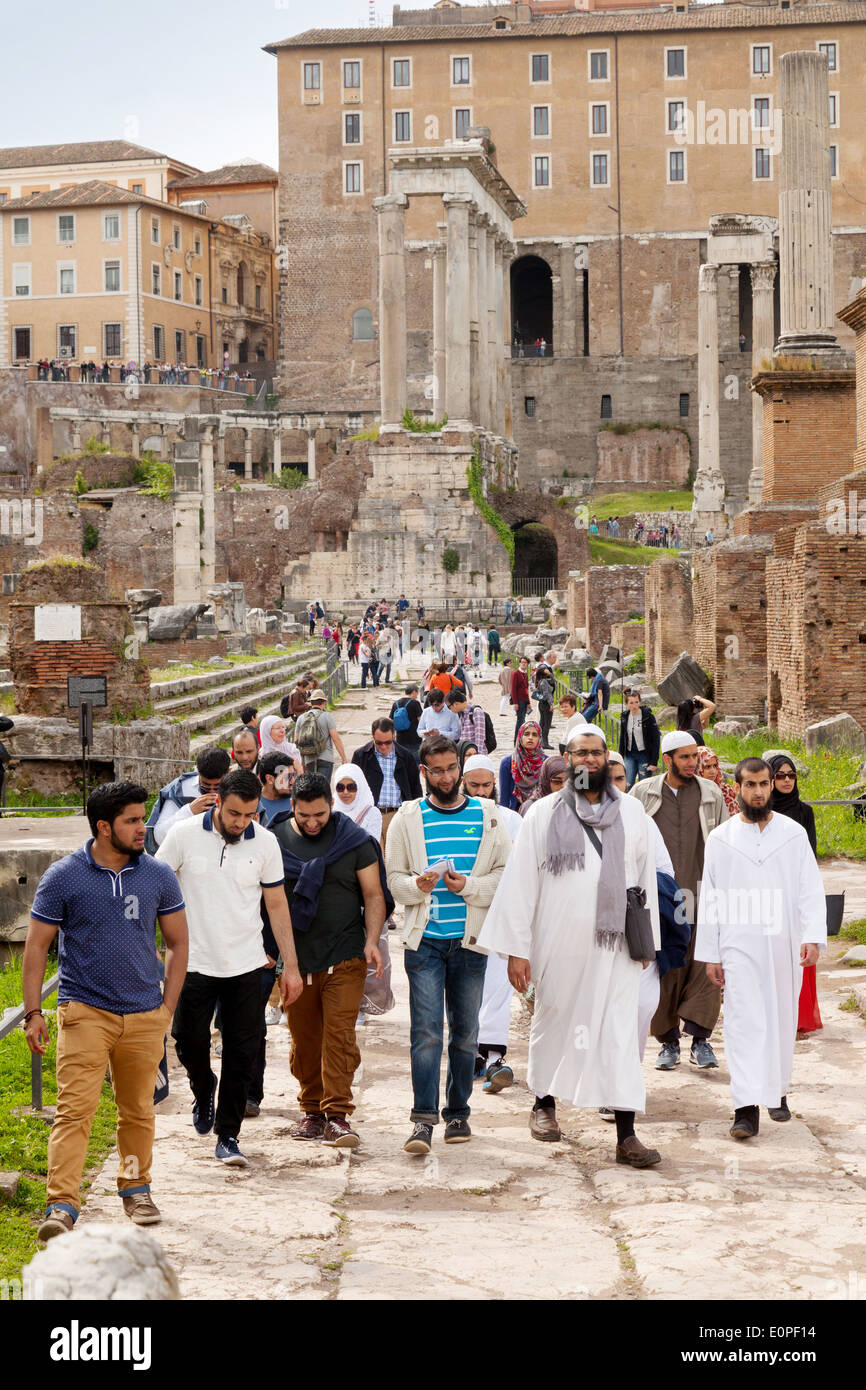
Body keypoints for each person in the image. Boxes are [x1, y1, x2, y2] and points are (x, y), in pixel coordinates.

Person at [479, 727, 662, 1167]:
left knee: (618, 1033)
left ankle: (626, 1134)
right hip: (558, 944)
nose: (590, 761)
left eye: (597, 753)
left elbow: (645, 882)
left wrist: (645, 944)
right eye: (581, 754)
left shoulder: (634, 812)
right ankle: (543, 1105)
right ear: (567, 758)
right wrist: (517, 949)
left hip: (616, 945)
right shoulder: (543, 814)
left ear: (606, 758)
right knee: (554, 1022)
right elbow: (521, 885)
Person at [24, 783, 189, 1241]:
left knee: (137, 1110)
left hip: (143, 1014)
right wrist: (34, 1011)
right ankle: (61, 1205)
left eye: (142, 818)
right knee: (74, 1110)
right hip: (85, 1011)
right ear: (104, 827)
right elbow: (36, 946)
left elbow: (177, 942)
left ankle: (136, 1189)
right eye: (132, 821)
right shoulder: (63, 876)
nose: (143, 828)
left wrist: (166, 1008)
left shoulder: (157, 875)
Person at [156, 769, 302, 1168]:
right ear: (218, 801)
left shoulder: (266, 843)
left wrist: (290, 964)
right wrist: (150, 947)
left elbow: (276, 905)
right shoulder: (183, 835)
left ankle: (228, 1135)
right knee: (187, 1041)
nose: (241, 823)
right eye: (235, 813)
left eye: (249, 815)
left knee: (242, 1050)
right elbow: (155, 887)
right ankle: (203, 1088)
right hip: (193, 963)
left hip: (246, 965)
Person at [386, 735, 512, 1153]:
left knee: (465, 1033)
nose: (445, 777)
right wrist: (418, 886)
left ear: (461, 767)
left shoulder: (488, 815)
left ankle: (457, 1112)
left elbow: (503, 875)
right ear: (424, 772)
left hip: (470, 943)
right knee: (425, 1033)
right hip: (424, 944)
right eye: (436, 770)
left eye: (451, 769)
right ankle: (422, 1120)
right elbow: (395, 880)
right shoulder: (407, 818)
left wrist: (468, 886)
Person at [696, 758, 826, 1139]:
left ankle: (776, 1090)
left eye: (764, 784)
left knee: (780, 1018)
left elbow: (809, 887)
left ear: (772, 786)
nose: (758, 791)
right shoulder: (722, 838)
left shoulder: (792, 833)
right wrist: (712, 952)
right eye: (750, 784)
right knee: (742, 1022)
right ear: (737, 788)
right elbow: (712, 897)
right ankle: (744, 1107)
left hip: (783, 941)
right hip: (738, 943)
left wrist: (813, 937)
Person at [270, 774, 387, 1148]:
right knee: (304, 1040)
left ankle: (337, 1115)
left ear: (331, 806)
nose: (312, 822)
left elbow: (373, 894)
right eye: (304, 815)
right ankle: (312, 1112)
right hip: (295, 961)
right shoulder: (273, 840)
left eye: (319, 814)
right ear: (293, 808)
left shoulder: (353, 841)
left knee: (338, 1036)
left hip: (345, 954)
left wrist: (371, 941)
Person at [631, 731, 728, 1072]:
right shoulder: (643, 793)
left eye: (695, 757)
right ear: (668, 759)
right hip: (661, 901)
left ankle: (701, 1041)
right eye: (684, 757)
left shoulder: (710, 793)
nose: (693, 763)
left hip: (702, 894)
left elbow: (726, 843)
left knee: (705, 967)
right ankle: (668, 1043)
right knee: (665, 969)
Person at [460, 754, 523, 1093]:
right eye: (475, 786)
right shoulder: (453, 818)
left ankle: (494, 1055)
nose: (482, 792)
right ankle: (469, 1053)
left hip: (502, 913)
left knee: (498, 983)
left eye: (487, 785)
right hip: (464, 913)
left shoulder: (512, 820)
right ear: (463, 784)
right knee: (466, 984)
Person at [766, 753, 822, 1036]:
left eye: (791, 775)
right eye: (781, 776)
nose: (787, 780)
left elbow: (809, 857)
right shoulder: (763, 813)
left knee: (800, 956)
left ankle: (800, 1016)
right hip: (767, 893)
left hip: (795, 891)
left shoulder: (804, 812)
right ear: (771, 780)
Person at [352, 717, 423, 851]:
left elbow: (415, 788)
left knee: (395, 860)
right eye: (379, 743)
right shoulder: (361, 756)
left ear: (394, 736)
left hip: (397, 816)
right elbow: (353, 788)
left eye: (388, 742)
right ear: (372, 736)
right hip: (370, 816)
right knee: (374, 861)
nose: (383, 747)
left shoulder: (406, 757)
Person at [145, 746, 231, 850]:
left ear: (229, 772)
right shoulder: (180, 789)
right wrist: (189, 811)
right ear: (198, 772)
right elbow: (159, 837)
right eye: (205, 786)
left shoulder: (237, 790)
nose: (212, 792)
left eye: (217, 787)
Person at [294, 690, 346, 784]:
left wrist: (302, 763)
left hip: (308, 759)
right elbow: (335, 738)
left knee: (312, 791)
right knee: (323, 791)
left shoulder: (301, 718)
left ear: (311, 703)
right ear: (324, 702)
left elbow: (296, 742)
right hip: (326, 758)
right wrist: (344, 758)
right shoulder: (327, 716)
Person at [618, 689, 661, 788]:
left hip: (644, 755)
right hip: (630, 755)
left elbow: (656, 739)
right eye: (631, 703)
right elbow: (622, 738)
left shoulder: (648, 716)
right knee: (627, 784)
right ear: (627, 704)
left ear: (640, 702)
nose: (634, 705)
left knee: (643, 786)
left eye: (636, 702)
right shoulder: (624, 717)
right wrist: (620, 758)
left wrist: (654, 761)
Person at [501, 719, 545, 812]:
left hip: (539, 812)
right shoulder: (508, 763)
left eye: (534, 735)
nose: (530, 737)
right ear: (520, 736)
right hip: (514, 814)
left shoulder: (545, 762)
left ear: (539, 738)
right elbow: (504, 798)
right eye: (526, 734)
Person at [257, 751, 298, 827]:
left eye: (293, 775)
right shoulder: (252, 805)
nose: (292, 781)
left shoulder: (298, 801)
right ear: (270, 779)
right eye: (287, 776)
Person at [696, 746, 738, 817]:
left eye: (715, 766)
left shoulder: (725, 791)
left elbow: (734, 821)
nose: (713, 771)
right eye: (707, 767)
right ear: (697, 768)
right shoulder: (690, 794)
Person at [446, 687, 487, 755]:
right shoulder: (462, 714)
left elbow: (480, 737)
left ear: (456, 704)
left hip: (475, 755)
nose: (450, 710)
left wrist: (476, 755)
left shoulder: (476, 712)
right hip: (466, 755)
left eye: (449, 707)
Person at [390, 683, 424, 765]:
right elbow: (420, 720)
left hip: (400, 738)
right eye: (417, 692)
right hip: (414, 738)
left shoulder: (396, 703)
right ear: (414, 692)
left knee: (403, 762)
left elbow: (391, 720)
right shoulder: (415, 703)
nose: (417, 695)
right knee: (415, 763)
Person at [531, 661, 556, 750]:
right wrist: (551, 705)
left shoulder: (540, 680)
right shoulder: (544, 682)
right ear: (543, 672)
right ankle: (545, 743)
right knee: (547, 724)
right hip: (546, 704)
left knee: (542, 722)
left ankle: (541, 741)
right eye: (546, 670)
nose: (548, 670)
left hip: (542, 704)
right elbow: (547, 694)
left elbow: (553, 681)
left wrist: (550, 674)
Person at [510, 656, 531, 741]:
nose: (523, 664)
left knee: (523, 720)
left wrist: (528, 702)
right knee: (520, 721)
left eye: (525, 662)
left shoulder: (525, 674)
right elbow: (513, 689)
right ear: (520, 663)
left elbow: (526, 689)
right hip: (519, 700)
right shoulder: (515, 673)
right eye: (522, 662)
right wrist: (515, 702)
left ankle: (521, 739)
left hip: (524, 700)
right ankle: (517, 740)